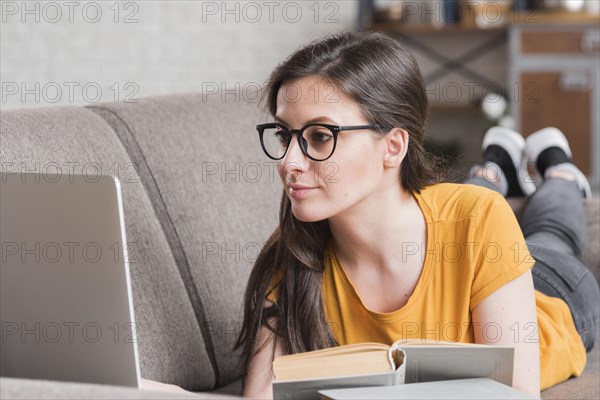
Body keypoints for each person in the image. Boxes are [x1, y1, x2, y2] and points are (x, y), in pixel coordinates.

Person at [232, 30, 600, 400]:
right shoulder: (294, 253)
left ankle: (559, 169)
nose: (288, 163)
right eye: (283, 135)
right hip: (467, 244)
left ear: (393, 146)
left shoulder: (478, 218)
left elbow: (515, 393)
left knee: (551, 234)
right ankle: (495, 167)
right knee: (474, 198)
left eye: (320, 136)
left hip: (552, 296)